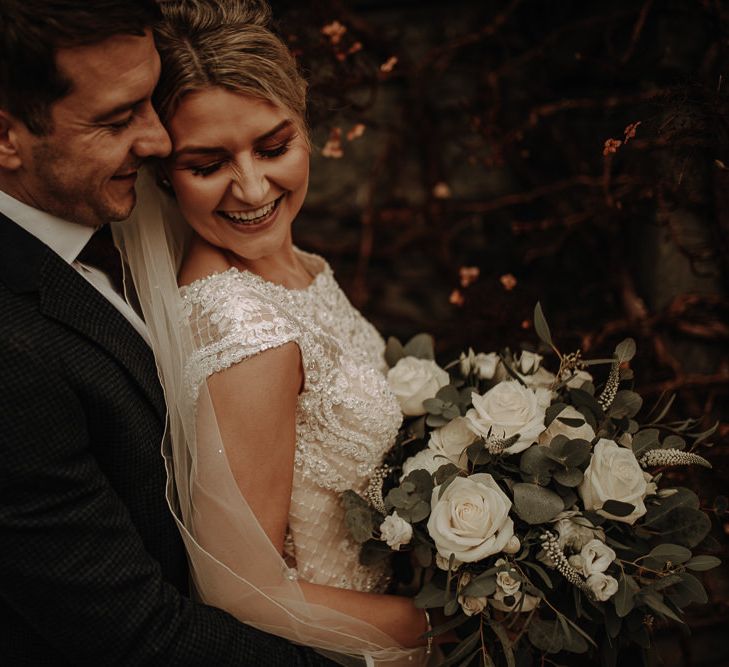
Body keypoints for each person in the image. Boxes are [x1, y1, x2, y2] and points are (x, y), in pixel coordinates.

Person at [0, 1, 337, 664]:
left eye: (150, 100)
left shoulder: (131, 215)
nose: (158, 142)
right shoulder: (12, 353)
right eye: (117, 118)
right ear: (6, 138)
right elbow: (133, 633)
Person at [118, 1, 444, 664]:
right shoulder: (249, 330)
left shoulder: (288, 268)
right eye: (207, 164)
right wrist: (454, 623)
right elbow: (245, 592)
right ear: (162, 172)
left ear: (305, 127)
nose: (251, 187)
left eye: (273, 147)